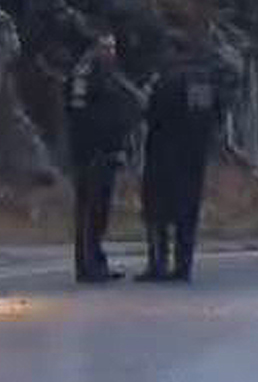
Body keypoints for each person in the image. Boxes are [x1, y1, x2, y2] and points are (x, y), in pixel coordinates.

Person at [135, 35, 224, 282]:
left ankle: (158, 264)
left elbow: (153, 113)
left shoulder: (167, 79)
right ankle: (183, 265)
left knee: (156, 212)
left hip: (164, 153)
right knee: (187, 211)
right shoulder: (205, 79)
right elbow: (213, 115)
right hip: (194, 156)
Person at [65, 32, 146, 283]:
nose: (112, 52)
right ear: (96, 47)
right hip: (93, 153)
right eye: (106, 47)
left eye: (113, 47)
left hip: (104, 150)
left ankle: (96, 260)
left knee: (100, 209)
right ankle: (88, 265)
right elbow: (84, 117)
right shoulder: (88, 74)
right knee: (91, 209)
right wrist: (100, 145)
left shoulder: (106, 74)